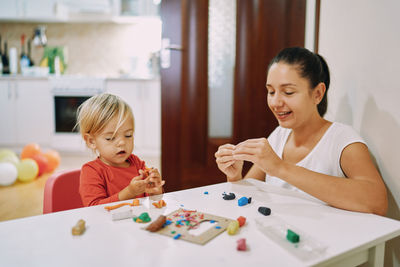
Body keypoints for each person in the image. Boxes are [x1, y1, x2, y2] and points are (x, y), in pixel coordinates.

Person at [215, 47, 388, 216]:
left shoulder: (343, 140)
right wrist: (235, 177)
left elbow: (378, 203)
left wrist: (280, 168)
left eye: (288, 92)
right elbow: (249, 196)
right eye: (271, 91)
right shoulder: (278, 136)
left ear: (318, 94)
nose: (275, 102)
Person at [76, 93, 165, 206]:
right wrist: (129, 192)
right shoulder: (91, 171)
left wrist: (155, 192)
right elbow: (94, 208)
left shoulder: (137, 163)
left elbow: (151, 203)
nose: (122, 142)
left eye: (128, 135)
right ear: (91, 141)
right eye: (111, 138)